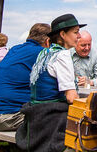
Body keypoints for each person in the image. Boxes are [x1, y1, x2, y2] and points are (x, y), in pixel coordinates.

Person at [0, 23, 50, 131]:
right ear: (47, 41)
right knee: (54, 119)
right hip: (1, 118)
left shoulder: (15, 49)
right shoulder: (43, 53)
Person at [23, 14, 84, 152]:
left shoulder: (44, 53)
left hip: (34, 116)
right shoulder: (62, 55)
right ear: (62, 34)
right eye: (75, 32)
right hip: (51, 119)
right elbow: (71, 97)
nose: (79, 36)